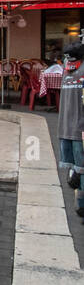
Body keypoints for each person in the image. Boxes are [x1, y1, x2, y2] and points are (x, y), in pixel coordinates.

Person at [59, 43, 84, 219]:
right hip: (74, 128)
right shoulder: (71, 71)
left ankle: (80, 203)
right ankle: (80, 204)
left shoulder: (67, 70)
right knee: (79, 168)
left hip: (71, 127)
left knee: (79, 168)